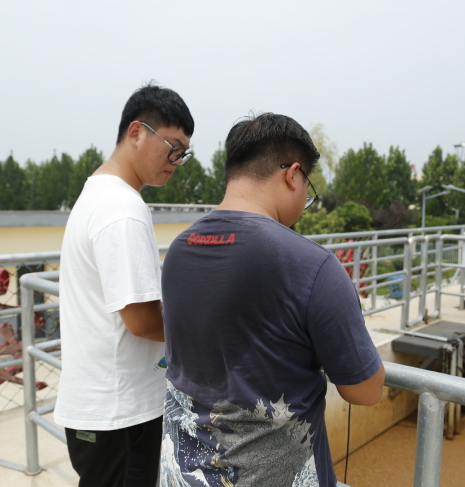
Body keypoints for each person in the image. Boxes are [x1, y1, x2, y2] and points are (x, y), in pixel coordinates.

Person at [159, 113, 385, 486]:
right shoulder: (313, 266)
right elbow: (366, 390)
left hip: (182, 475)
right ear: (293, 175)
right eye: (308, 189)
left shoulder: (179, 251)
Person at [54, 83, 195, 487]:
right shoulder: (123, 209)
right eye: (173, 147)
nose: (177, 161)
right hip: (120, 413)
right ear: (136, 132)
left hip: (101, 409)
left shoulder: (97, 194)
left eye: (183, 153)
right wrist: (210, 328)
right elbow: (141, 321)